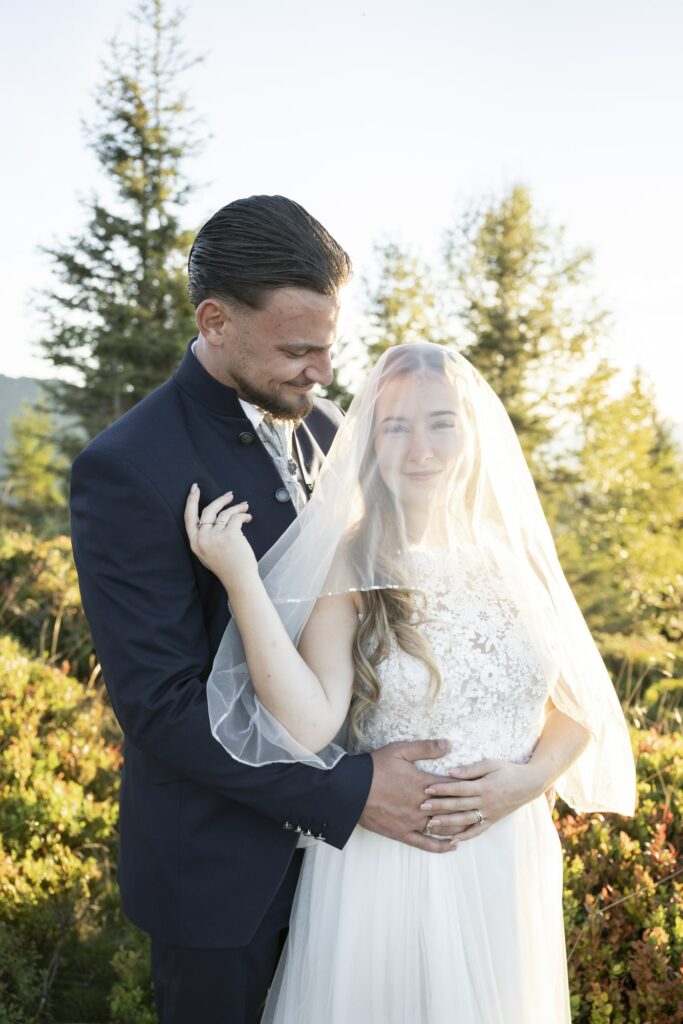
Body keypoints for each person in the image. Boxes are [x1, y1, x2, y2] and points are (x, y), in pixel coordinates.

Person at [70, 197, 476, 1024]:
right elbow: (161, 705)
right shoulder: (128, 466)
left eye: (329, 344)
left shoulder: (334, 433)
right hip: (222, 884)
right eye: (297, 349)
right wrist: (348, 795)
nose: (322, 371)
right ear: (215, 322)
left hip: (361, 878)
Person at [184, 342, 636, 1023]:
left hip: (506, 858)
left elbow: (578, 708)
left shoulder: (516, 558)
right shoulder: (351, 557)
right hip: (391, 866)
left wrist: (529, 779)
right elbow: (309, 723)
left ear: (472, 433)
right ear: (369, 440)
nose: (419, 447)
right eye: (395, 425)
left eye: (440, 422)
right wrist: (242, 580)